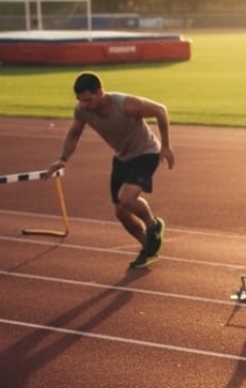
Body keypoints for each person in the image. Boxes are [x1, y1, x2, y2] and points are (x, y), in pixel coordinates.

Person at [47, 72, 173, 269]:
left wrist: (165, 145)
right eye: (80, 100)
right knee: (121, 212)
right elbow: (74, 133)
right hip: (122, 157)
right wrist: (63, 159)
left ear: (100, 93)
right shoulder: (82, 110)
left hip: (146, 152)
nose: (85, 104)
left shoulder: (124, 104)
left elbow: (160, 110)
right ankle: (148, 247)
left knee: (127, 198)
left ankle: (153, 225)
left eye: (88, 99)